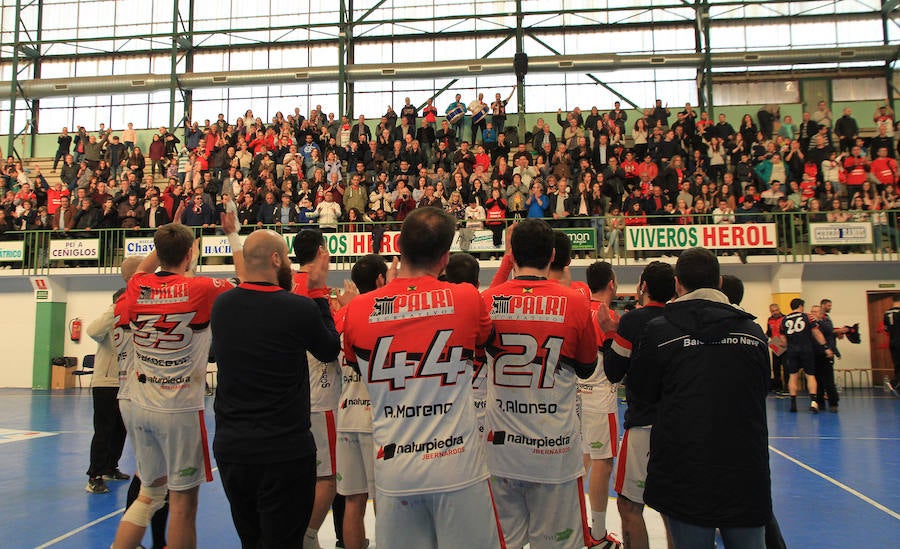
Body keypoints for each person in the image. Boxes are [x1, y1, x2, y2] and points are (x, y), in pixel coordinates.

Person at [342, 207, 503, 548]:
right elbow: (484, 340)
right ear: (445, 258)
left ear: (398, 246)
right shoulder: (466, 299)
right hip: (457, 466)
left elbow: (355, 362)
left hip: (395, 469)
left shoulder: (358, 309)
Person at [112, 218, 245, 549]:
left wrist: (167, 234)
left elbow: (141, 269)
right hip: (179, 409)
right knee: (183, 505)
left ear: (158, 253)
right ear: (189, 254)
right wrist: (232, 234)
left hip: (141, 405)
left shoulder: (137, 285)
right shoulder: (201, 288)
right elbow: (245, 281)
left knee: (148, 495)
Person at [631, 247, 771, 548]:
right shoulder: (754, 333)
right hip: (745, 472)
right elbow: (762, 389)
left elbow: (641, 394)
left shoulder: (659, 332)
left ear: (677, 284)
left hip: (685, 472)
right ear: (719, 282)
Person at [211, 229, 340, 548]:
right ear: (275, 259)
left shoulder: (223, 305)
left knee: (251, 538)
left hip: (233, 447)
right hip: (283, 448)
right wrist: (318, 291)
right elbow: (328, 349)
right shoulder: (297, 308)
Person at [482, 218, 599, 549]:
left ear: (512, 254)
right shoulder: (575, 302)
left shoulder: (488, 301)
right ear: (552, 255)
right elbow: (587, 367)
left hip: (501, 450)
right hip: (554, 451)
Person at [601, 261, 675, 549]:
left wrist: (609, 333)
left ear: (643, 286)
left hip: (644, 424)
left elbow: (614, 370)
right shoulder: (681, 318)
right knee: (673, 507)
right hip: (679, 424)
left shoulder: (632, 322)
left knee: (630, 505)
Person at [289, 230, 344, 549]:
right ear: (322, 251)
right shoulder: (314, 290)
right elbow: (330, 347)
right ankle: (307, 537)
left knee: (305, 475)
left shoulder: (286, 284)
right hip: (322, 397)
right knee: (330, 477)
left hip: (293, 397)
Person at [335, 254, 387, 549]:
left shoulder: (342, 315)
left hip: (346, 415)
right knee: (383, 498)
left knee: (353, 501)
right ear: (380, 280)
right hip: (375, 418)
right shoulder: (381, 315)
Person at [84, 258, 142, 495]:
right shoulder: (108, 320)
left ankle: (110, 466)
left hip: (127, 382)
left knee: (121, 429)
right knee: (104, 429)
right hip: (106, 382)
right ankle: (95, 475)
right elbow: (92, 330)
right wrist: (114, 309)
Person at [578, 261, 623, 548]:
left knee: (581, 460)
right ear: (611, 283)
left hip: (575, 396)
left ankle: (575, 522)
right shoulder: (611, 317)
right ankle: (597, 534)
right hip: (599, 398)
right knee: (602, 463)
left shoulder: (579, 311)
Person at [782, 298, 833, 413]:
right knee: (810, 375)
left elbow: (783, 341)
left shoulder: (784, 319)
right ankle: (814, 402)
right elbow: (816, 333)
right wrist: (825, 347)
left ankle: (793, 404)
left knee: (793, 376)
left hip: (792, 350)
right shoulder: (807, 317)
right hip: (806, 349)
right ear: (801, 306)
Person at [815, 299, 843, 412]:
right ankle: (820, 402)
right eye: (828, 305)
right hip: (816, 353)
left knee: (828, 380)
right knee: (818, 381)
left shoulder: (826, 321)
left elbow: (830, 335)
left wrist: (835, 351)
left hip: (826, 354)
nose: (830, 307)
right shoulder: (813, 323)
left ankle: (833, 403)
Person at [884, 295, 900, 397]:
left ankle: (896, 384)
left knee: (897, 364)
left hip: (892, 342)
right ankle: (894, 382)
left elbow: (886, 329)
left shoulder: (886, 313)